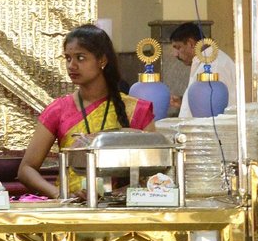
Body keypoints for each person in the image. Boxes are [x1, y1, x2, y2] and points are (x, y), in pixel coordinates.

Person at [17, 25, 156, 198]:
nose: (71, 66)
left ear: (102, 60)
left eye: (80, 58)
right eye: (68, 58)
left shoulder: (136, 110)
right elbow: (26, 169)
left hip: (121, 212)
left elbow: (156, 171)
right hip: (71, 213)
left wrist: (129, 191)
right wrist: (62, 195)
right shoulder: (58, 109)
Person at [167, 21, 239, 117]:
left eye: (178, 47)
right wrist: (184, 103)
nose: (175, 54)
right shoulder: (204, 61)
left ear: (191, 44)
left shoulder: (214, 64)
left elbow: (213, 106)